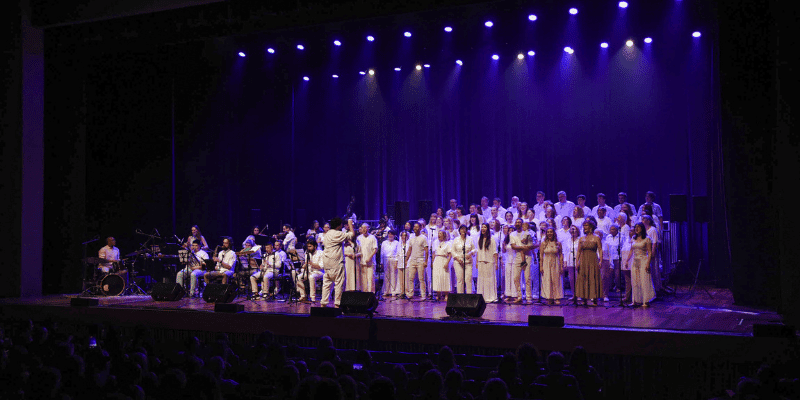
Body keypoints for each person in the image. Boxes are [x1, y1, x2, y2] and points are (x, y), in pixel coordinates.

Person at [320, 218, 355, 307]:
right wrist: (350, 223)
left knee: (327, 284)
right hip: (336, 262)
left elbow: (335, 244)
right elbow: (352, 234)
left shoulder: (327, 234)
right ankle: (337, 305)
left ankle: (323, 304)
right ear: (339, 225)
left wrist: (343, 245)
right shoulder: (338, 233)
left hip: (327, 262)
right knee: (339, 284)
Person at [510, 219, 537, 303]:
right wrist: (523, 248)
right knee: (516, 277)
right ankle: (519, 296)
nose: (518, 223)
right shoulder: (512, 234)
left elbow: (535, 244)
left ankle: (529, 297)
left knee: (527, 277)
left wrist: (527, 248)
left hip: (527, 256)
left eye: (519, 222)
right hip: (517, 256)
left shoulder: (529, 232)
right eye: (516, 222)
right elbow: (513, 246)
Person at [628, 222, 655, 306]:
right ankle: (635, 300)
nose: (636, 229)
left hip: (643, 260)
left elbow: (649, 252)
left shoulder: (647, 239)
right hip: (635, 261)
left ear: (642, 228)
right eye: (635, 227)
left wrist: (648, 263)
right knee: (635, 280)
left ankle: (646, 301)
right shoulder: (633, 238)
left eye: (638, 227)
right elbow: (631, 251)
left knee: (644, 280)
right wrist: (626, 260)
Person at [576, 221, 602, 306]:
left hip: (593, 259)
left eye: (586, 225)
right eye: (583, 226)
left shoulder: (596, 238)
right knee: (583, 277)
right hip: (583, 260)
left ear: (591, 227)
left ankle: (594, 298)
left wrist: (601, 260)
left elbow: (600, 250)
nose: (584, 227)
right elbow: (578, 251)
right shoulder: (581, 238)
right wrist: (577, 262)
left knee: (593, 277)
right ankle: (584, 298)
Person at [540, 227, 564, 305]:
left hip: (555, 262)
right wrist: (541, 266)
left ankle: (557, 297)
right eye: (548, 232)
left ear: (554, 233)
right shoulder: (543, 243)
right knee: (547, 279)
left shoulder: (558, 243)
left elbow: (560, 255)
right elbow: (541, 255)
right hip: (546, 262)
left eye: (551, 232)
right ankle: (549, 297)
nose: (549, 233)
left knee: (556, 279)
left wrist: (561, 266)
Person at [475, 223, 498, 303]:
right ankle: (482, 297)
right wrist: (477, 262)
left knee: (489, 280)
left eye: (484, 227)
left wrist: (496, 263)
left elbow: (495, 252)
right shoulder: (479, 239)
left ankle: (490, 297)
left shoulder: (492, 239)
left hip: (489, 262)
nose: (483, 229)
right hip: (481, 262)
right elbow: (478, 251)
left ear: (487, 229)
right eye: (482, 227)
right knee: (481, 280)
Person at [405, 222, 429, 299]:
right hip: (413, 259)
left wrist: (426, 261)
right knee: (411, 278)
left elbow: (426, 250)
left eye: (417, 227)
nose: (415, 228)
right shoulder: (411, 238)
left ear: (420, 228)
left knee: (421, 279)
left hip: (420, 259)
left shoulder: (423, 238)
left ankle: (423, 295)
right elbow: (409, 250)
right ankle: (410, 294)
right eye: (414, 227)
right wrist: (406, 260)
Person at [602, 225, 623, 302]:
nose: (611, 230)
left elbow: (622, 247)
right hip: (609, 257)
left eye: (613, 229)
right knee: (608, 274)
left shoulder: (621, 237)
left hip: (617, 257)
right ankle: (610, 287)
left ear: (617, 230)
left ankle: (618, 287)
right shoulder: (608, 237)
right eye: (610, 229)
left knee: (617, 274)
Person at [452, 225, 475, 294]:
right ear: (459, 231)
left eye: (464, 229)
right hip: (458, 261)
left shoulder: (470, 239)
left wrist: (470, 253)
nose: (463, 231)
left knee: (468, 279)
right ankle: (460, 296)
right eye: (461, 229)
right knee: (460, 280)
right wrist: (457, 258)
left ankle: (469, 296)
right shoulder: (456, 239)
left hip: (468, 262)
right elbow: (453, 251)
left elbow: (474, 249)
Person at [642, 215, 662, 293]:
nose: (642, 221)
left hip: (651, 252)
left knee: (654, 270)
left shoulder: (653, 230)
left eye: (644, 219)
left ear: (648, 221)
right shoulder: (644, 230)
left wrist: (652, 253)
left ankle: (657, 289)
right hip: (645, 253)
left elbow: (654, 242)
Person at [355, 223, 377, 293]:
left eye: (365, 228)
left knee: (370, 279)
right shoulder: (359, 238)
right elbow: (357, 249)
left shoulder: (372, 237)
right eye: (363, 228)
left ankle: (371, 294)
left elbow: (375, 249)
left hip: (371, 262)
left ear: (368, 228)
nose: (364, 229)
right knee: (363, 280)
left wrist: (370, 257)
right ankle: (364, 294)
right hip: (362, 262)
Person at [562, 226, 581, 301]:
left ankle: (579, 295)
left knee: (578, 278)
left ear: (577, 230)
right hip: (570, 261)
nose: (572, 231)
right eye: (571, 229)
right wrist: (565, 262)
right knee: (571, 279)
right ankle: (574, 295)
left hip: (577, 261)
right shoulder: (567, 240)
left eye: (574, 229)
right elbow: (565, 252)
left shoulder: (580, 240)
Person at [432, 231, 452, 301]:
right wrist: (432, 262)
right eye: (438, 234)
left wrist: (447, 263)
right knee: (437, 277)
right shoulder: (436, 243)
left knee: (445, 277)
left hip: (444, 260)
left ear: (444, 235)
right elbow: (434, 253)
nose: (438, 235)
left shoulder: (447, 244)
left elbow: (450, 255)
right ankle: (438, 295)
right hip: (437, 260)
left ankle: (446, 295)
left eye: (440, 234)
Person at [381, 230, 400, 298]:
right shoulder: (384, 243)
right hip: (386, 259)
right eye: (389, 234)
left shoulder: (397, 243)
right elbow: (382, 253)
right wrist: (381, 262)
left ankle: (393, 291)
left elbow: (398, 253)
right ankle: (386, 290)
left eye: (392, 234)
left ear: (394, 235)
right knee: (386, 275)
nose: (390, 236)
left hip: (393, 259)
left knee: (393, 275)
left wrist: (396, 261)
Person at [501, 224, 517, 301]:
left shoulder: (516, 239)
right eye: (509, 230)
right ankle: (508, 294)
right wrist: (503, 245)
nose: (511, 232)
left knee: (514, 277)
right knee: (508, 277)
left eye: (512, 230)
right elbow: (503, 251)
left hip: (515, 259)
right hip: (508, 260)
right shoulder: (506, 239)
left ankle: (515, 294)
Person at [620, 222, 634, 303]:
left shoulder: (636, 240)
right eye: (630, 231)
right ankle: (627, 296)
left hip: (633, 261)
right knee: (627, 281)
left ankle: (636, 297)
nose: (630, 232)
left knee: (634, 280)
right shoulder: (625, 240)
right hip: (625, 262)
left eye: (632, 231)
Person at [396, 231, 410, 297]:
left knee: (406, 279)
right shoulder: (399, 244)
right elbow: (397, 253)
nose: (403, 237)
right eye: (402, 236)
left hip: (407, 262)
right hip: (400, 262)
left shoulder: (409, 244)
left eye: (405, 235)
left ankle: (407, 292)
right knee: (401, 278)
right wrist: (396, 261)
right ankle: (402, 292)